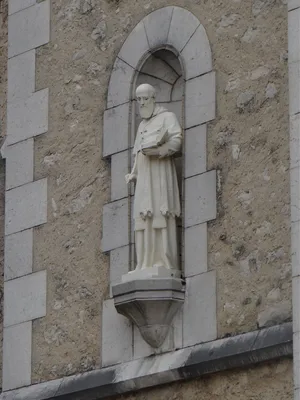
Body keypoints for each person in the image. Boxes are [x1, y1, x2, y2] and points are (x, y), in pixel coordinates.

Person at [125, 83, 182, 275]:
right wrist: (133, 173)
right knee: (143, 216)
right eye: (138, 99)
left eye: (145, 98)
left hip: (160, 173)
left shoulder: (167, 117)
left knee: (160, 212)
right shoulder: (141, 125)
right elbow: (137, 153)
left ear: (153, 98)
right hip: (144, 178)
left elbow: (176, 140)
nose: (142, 103)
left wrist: (159, 151)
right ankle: (144, 263)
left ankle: (164, 261)